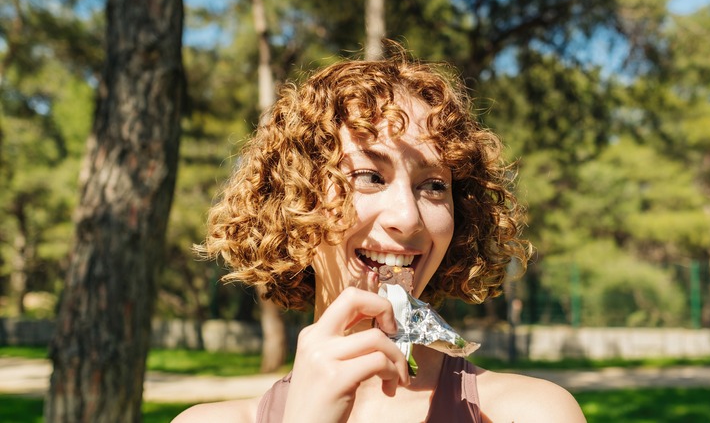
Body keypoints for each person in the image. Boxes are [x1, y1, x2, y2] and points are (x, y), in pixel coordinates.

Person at [173, 46, 586, 422]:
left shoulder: (530, 413)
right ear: (296, 202)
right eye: (369, 176)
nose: (408, 218)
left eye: (434, 185)